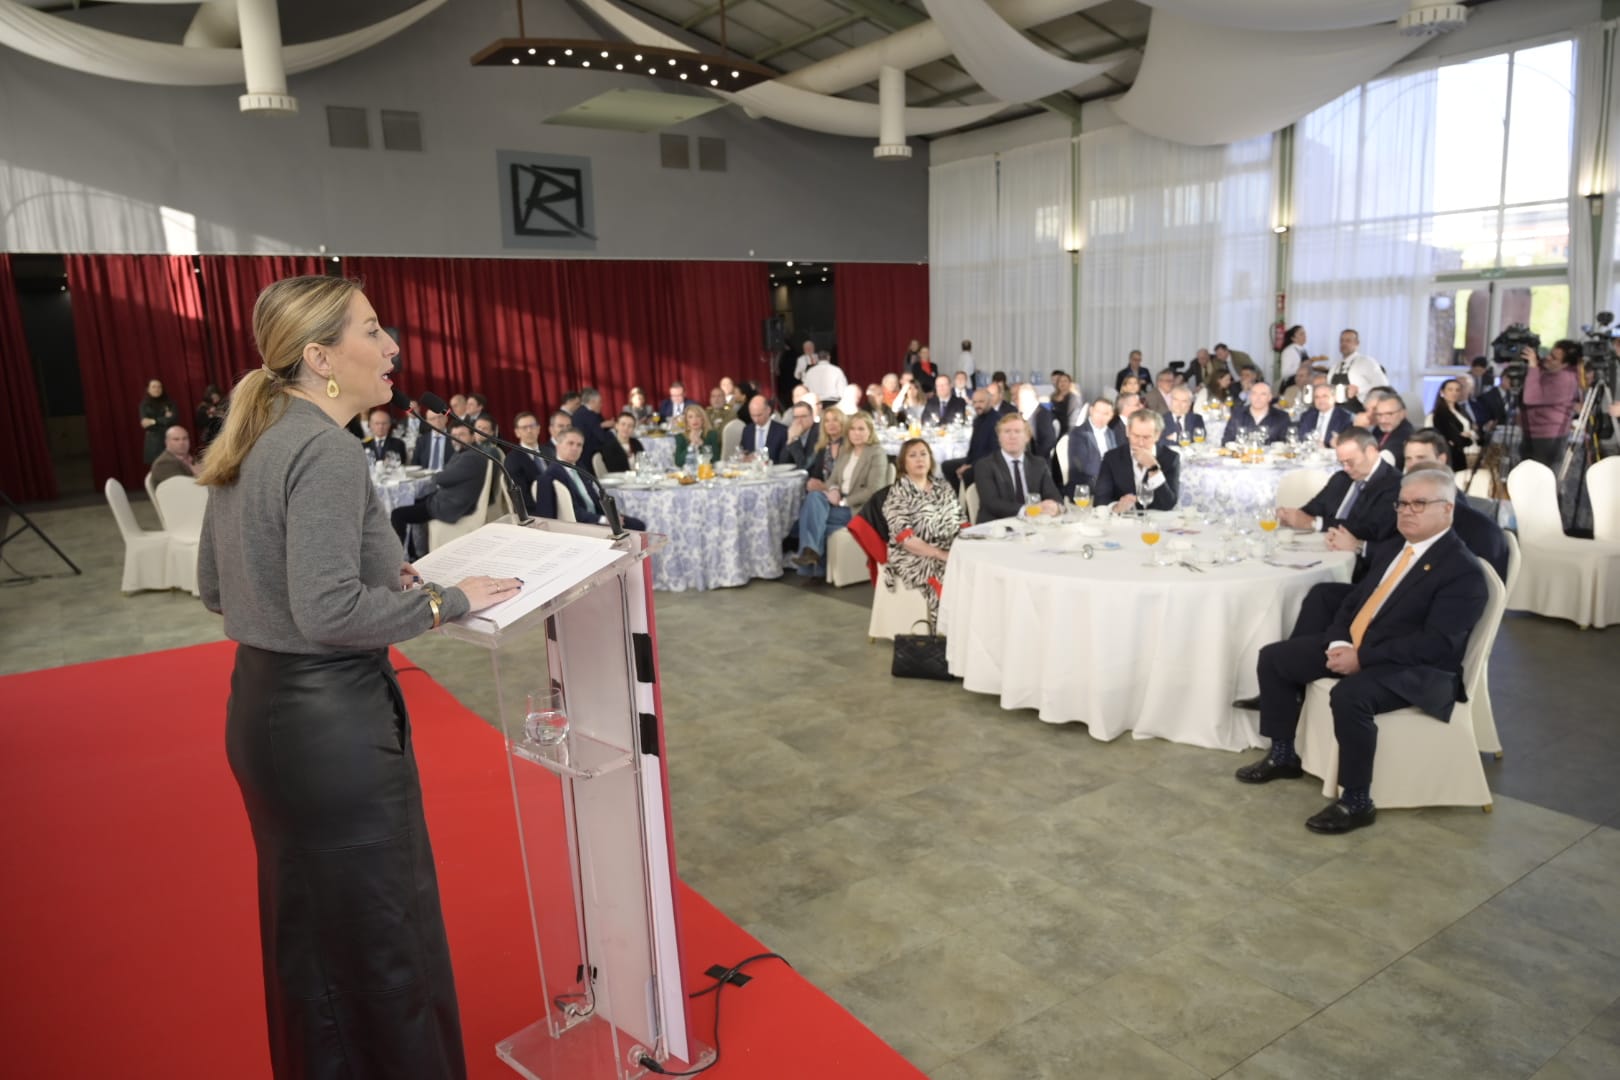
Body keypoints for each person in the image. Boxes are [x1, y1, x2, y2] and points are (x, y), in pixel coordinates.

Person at [195, 276, 517, 1079]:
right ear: (320, 357)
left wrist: (386, 585)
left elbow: (215, 587)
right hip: (331, 728)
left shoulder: (256, 434)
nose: (393, 346)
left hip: (265, 714)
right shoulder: (325, 450)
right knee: (383, 943)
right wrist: (443, 602)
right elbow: (330, 612)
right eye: (372, 331)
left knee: (316, 945)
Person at [1233, 468, 1488, 834]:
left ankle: (1357, 800)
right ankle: (1283, 754)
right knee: (1275, 658)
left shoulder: (1461, 570)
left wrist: (1363, 658)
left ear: (1447, 510)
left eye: (1420, 503)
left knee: (1351, 696)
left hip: (1418, 669)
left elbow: (1437, 644)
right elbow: (1353, 601)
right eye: (1402, 503)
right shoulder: (1396, 549)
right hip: (1363, 645)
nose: (1406, 511)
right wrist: (1339, 641)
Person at [1277, 428, 1400, 559]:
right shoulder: (1341, 478)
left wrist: (1315, 523)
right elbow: (1313, 508)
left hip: (1359, 560)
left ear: (1370, 452)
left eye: (1350, 462)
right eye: (1342, 463)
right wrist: (1291, 516)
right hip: (1322, 547)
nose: (1346, 468)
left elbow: (1370, 528)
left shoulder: (1394, 483)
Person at [883, 439, 965, 621]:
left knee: (975, 568)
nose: (919, 459)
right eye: (912, 456)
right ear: (904, 464)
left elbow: (961, 521)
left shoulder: (943, 487)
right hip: (912, 555)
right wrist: (939, 553)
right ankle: (944, 635)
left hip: (947, 548)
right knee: (945, 574)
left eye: (923, 454)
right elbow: (907, 540)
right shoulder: (898, 493)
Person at [793, 412, 884, 575]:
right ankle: (813, 559)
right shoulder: (846, 452)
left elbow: (873, 490)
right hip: (838, 504)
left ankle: (813, 568)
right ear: (848, 432)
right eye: (853, 429)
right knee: (814, 497)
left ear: (870, 431)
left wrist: (843, 502)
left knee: (811, 519)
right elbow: (832, 480)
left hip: (860, 508)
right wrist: (833, 490)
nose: (856, 433)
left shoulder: (876, 454)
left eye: (861, 429)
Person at [389, 419, 490, 542]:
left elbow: (442, 479)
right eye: (454, 436)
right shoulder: (466, 452)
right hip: (448, 499)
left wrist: (438, 476)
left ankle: (397, 557)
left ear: (473, 436)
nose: (457, 439)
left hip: (450, 506)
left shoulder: (471, 457)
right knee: (412, 501)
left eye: (461, 435)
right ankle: (416, 549)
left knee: (397, 514)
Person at [537, 430, 647, 530]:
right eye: (570, 443)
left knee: (638, 525)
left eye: (579, 445)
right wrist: (603, 520)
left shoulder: (580, 468)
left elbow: (594, 498)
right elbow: (571, 512)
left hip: (598, 516)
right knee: (635, 529)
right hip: (582, 525)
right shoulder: (551, 476)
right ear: (558, 446)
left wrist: (611, 516)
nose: (575, 448)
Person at [974, 412, 1062, 521]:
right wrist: (1027, 510)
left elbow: (1054, 495)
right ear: (999, 437)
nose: (1012, 436)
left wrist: (1054, 506)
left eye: (1017, 431)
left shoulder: (1038, 464)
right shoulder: (985, 465)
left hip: (1034, 525)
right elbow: (992, 503)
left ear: (1027, 437)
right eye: (1007, 431)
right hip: (997, 526)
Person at [1094, 410, 1180, 512]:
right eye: (1135, 436)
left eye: (1146, 437)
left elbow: (1168, 504)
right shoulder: (1112, 458)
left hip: (1157, 522)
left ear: (1157, 435)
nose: (1140, 443)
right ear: (1127, 431)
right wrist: (1116, 507)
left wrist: (1153, 468)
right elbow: (1099, 500)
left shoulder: (1170, 458)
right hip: (1123, 522)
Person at [1520, 341, 1580, 467]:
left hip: (1548, 438)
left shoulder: (1565, 379)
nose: (1548, 358)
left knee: (1540, 479)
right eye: (1549, 354)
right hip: (1533, 432)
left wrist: (1533, 366)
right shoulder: (1551, 370)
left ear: (1566, 364)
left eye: (1554, 358)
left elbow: (1530, 398)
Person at [943, 388, 997, 491]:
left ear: (990, 402)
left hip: (990, 462)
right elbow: (973, 448)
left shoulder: (995, 421)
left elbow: (993, 452)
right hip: (976, 459)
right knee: (947, 466)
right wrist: (966, 463)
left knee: (967, 474)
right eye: (975, 402)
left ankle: (969, 504)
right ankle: (959, 498)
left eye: (981, 402)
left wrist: (970, 465)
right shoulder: (977, 420)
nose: (977, 405)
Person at [1066, 397, 1119, 496]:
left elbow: (1115, 459)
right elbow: (1082, 466)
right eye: (1098, 412)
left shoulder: (1110, 433)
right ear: (1091, 411)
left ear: (1112, 416)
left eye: (1106, 414)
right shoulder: (1078, 433)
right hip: (1085, 485)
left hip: (1107, 483)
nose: (1101, 417)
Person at [1325, 329, 1386, 405]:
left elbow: (1383, 385)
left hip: (1360, 410)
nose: (1344, 343)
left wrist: (1359, 390)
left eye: (1348, 341)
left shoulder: (1366, 362)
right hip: (1336, 411)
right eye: (1341, 341)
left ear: (1357, 343)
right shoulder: (1334, 367)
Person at [505, 411, 549, 514]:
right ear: (517, 432)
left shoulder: (549, 452)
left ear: (538, 429)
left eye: (532, 426)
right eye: (524, 428)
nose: (529, 431)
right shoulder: (513, 460)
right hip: (538, 512)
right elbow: (523, 499)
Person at [1431, 378, 1479, 471]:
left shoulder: (1461, 410)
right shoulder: (1439, 414)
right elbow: (1454, 439)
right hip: (1455, 456)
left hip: (1470, 453)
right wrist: (1468, 437)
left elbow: (1476, 430)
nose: (1454, 393)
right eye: (1450, 389)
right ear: (1442, 392)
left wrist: (1471, 434)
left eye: (1457, 390)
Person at [804, 407, 848, 494]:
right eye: (827, 421)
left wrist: (826, 487)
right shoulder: (821, 447)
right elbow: (812, 471)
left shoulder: (850, 446)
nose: (831, 424)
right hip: (823, 491)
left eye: (835, 420)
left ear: (842, 423)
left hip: (843, 492)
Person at [1295, 383, 1354, 448]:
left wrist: (1325, 446)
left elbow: (1346, 445)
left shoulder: (1345, 417)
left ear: (1334, 397)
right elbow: (1300, 437)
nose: (1320, 400)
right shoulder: (1307, 415)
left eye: (1325, 396)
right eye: (1317, 397)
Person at [139, 378, 179, 465]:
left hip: (170, 439)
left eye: (159, 387)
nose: (157, 389)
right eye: (153, 387)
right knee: (158, 470)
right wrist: (164, 419)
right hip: (154, 443)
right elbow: (146, 424)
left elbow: (173, 419)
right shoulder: (144, 405)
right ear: (148, 389)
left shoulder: (170, 403)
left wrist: (154, 421)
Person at [1015, 382, 1058, 460]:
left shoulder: (1043, 416)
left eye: (1018, 399)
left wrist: (1033, 461)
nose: (1016, 402)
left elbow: (1048, 442)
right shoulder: (1026, 415)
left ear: (1027, 399)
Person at [740, 394, 788, 463]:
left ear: (768, 410)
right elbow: (743, 452)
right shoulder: (747, 431)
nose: (756, 420)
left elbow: (785, 460)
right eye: (753, 415)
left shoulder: (782, 431)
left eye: (759, 415)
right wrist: (745, 458)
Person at [1369, 392, 1414, 463]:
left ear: (1403, 413)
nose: (1383, 420)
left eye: (1389, 414)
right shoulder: (1380, 428)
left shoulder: (1405, 434)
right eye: (1379, 415)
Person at [411, 405, 450, 470]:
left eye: (440, 417)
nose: (437, 421)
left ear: (446, 418)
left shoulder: (455, 438)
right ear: (427, 422)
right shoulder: (421, 440)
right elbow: (414, 464)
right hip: (425, 476)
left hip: (448, 476)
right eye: (432, 419)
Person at [783, 401, 820, 468]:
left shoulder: (818, 432)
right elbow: (783, 463)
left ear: (812, 416)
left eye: (803, 416)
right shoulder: (793, 431)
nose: (799, 421)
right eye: (796, 417)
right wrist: (789, 440)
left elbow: (804, 465)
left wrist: (794, 439)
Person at [571, 388, 605, 455]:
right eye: (600, 402)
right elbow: (602, 438)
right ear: (592, 401)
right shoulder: (590, 415)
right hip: (590, 454)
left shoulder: (578, 412)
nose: (601, 405)